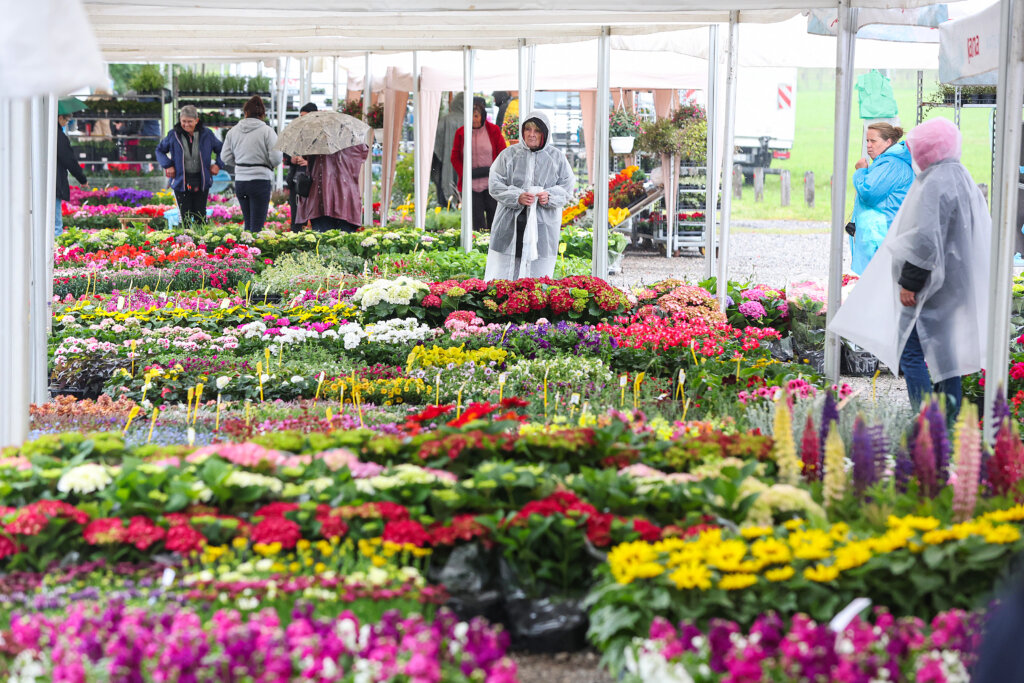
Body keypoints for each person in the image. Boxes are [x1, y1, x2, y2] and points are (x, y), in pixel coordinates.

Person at [829, 117, 991, 418]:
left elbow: (926, 235)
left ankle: (927, 416)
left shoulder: (935, 181)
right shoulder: (960, 175)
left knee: (911, 350)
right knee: (946, 356)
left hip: (930, 282)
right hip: (954, 281)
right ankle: (948, 418)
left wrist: (910, 282)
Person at [484, 111, 575, 281]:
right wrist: (517, 196)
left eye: (537, 131)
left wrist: (550, 196)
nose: (531, 134)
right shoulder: (509, 155)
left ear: (545, 134)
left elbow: (567, 186)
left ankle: (533, 305)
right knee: (505, 272)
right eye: (528, 129)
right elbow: (495, 184)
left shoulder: (556, 158)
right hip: (511, 222)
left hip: (543, 224)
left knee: (538, 274)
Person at [848, 123, 914, 273]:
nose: (868, 146)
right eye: (867, 141)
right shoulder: (885, 162)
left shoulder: (891, 164)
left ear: (888, 142)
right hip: (878, 233)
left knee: (872, 283)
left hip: (879, 235)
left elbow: (868, 193)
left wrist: (860, 171)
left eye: (873, 141)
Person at [290, 124, 369, 233]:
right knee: (346, 244)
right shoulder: (354, 144)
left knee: (323, 242)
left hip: (320, 200)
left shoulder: (315, 145)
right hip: (346, 200)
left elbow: (299, 156)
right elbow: (364, 152)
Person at [220, 95, 283, 231]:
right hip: (260, 180)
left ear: (246, 113)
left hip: (241, 181)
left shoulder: (233, 131)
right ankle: (254, 251)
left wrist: (239, 163)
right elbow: (277, 157)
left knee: (248, 223)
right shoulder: (267, 131)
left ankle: (244, 250)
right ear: (262, 114)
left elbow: (225, 156)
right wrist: (268, 164)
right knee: (257, 225)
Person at [156, 105, 223, 226]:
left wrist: (218, 165)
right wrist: (168, 165)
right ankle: (186, 242)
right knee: (184, 216)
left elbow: (222, 150)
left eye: (190, 122)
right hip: (181, 180)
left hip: (202, 181)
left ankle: (201, 242)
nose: (186, 125)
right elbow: (159, 150)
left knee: (200, 215)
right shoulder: (173, 135)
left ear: (196, 120)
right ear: (180, 120)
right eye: (183, 121)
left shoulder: (207, 134)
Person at [451, 97, 507, 231]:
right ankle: (478, 247)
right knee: (476, 221)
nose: (473, 119)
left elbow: (502, 154)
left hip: (491, 183)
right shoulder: (461, 132)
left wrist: (494, 171)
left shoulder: (493, 130)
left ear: (482, 116)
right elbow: (455, 157)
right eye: (471, 116)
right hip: (471, 184)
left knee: (494, 217)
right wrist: (464, 173)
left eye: (476, 116)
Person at [283, 102, 318, 229]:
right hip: (296, 182)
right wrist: (291, 159)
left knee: (315, 218)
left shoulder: (320, 135)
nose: (302, 120)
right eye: (300, 116)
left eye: (305, 117)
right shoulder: (295, 134)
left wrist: (309, 163)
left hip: (314, 182)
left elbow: (325, 159)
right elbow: (286, 154)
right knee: (296, 219)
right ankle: (296, 244)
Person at [56, 113, 87, 238]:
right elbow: (69, 160)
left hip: (41, 183)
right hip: (55, 182)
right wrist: (82, 179)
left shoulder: (42, 133)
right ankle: (55, 253)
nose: (67, 122)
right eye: (66, 119)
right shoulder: (58, 137)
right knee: (55, 226)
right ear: (59, 118)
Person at [431, 92, 465, 208]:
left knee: (446, 183)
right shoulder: (472, 120)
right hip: (466, 164)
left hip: (446, 163)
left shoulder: (445, 120)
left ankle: (448, 208)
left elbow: (436, 143)